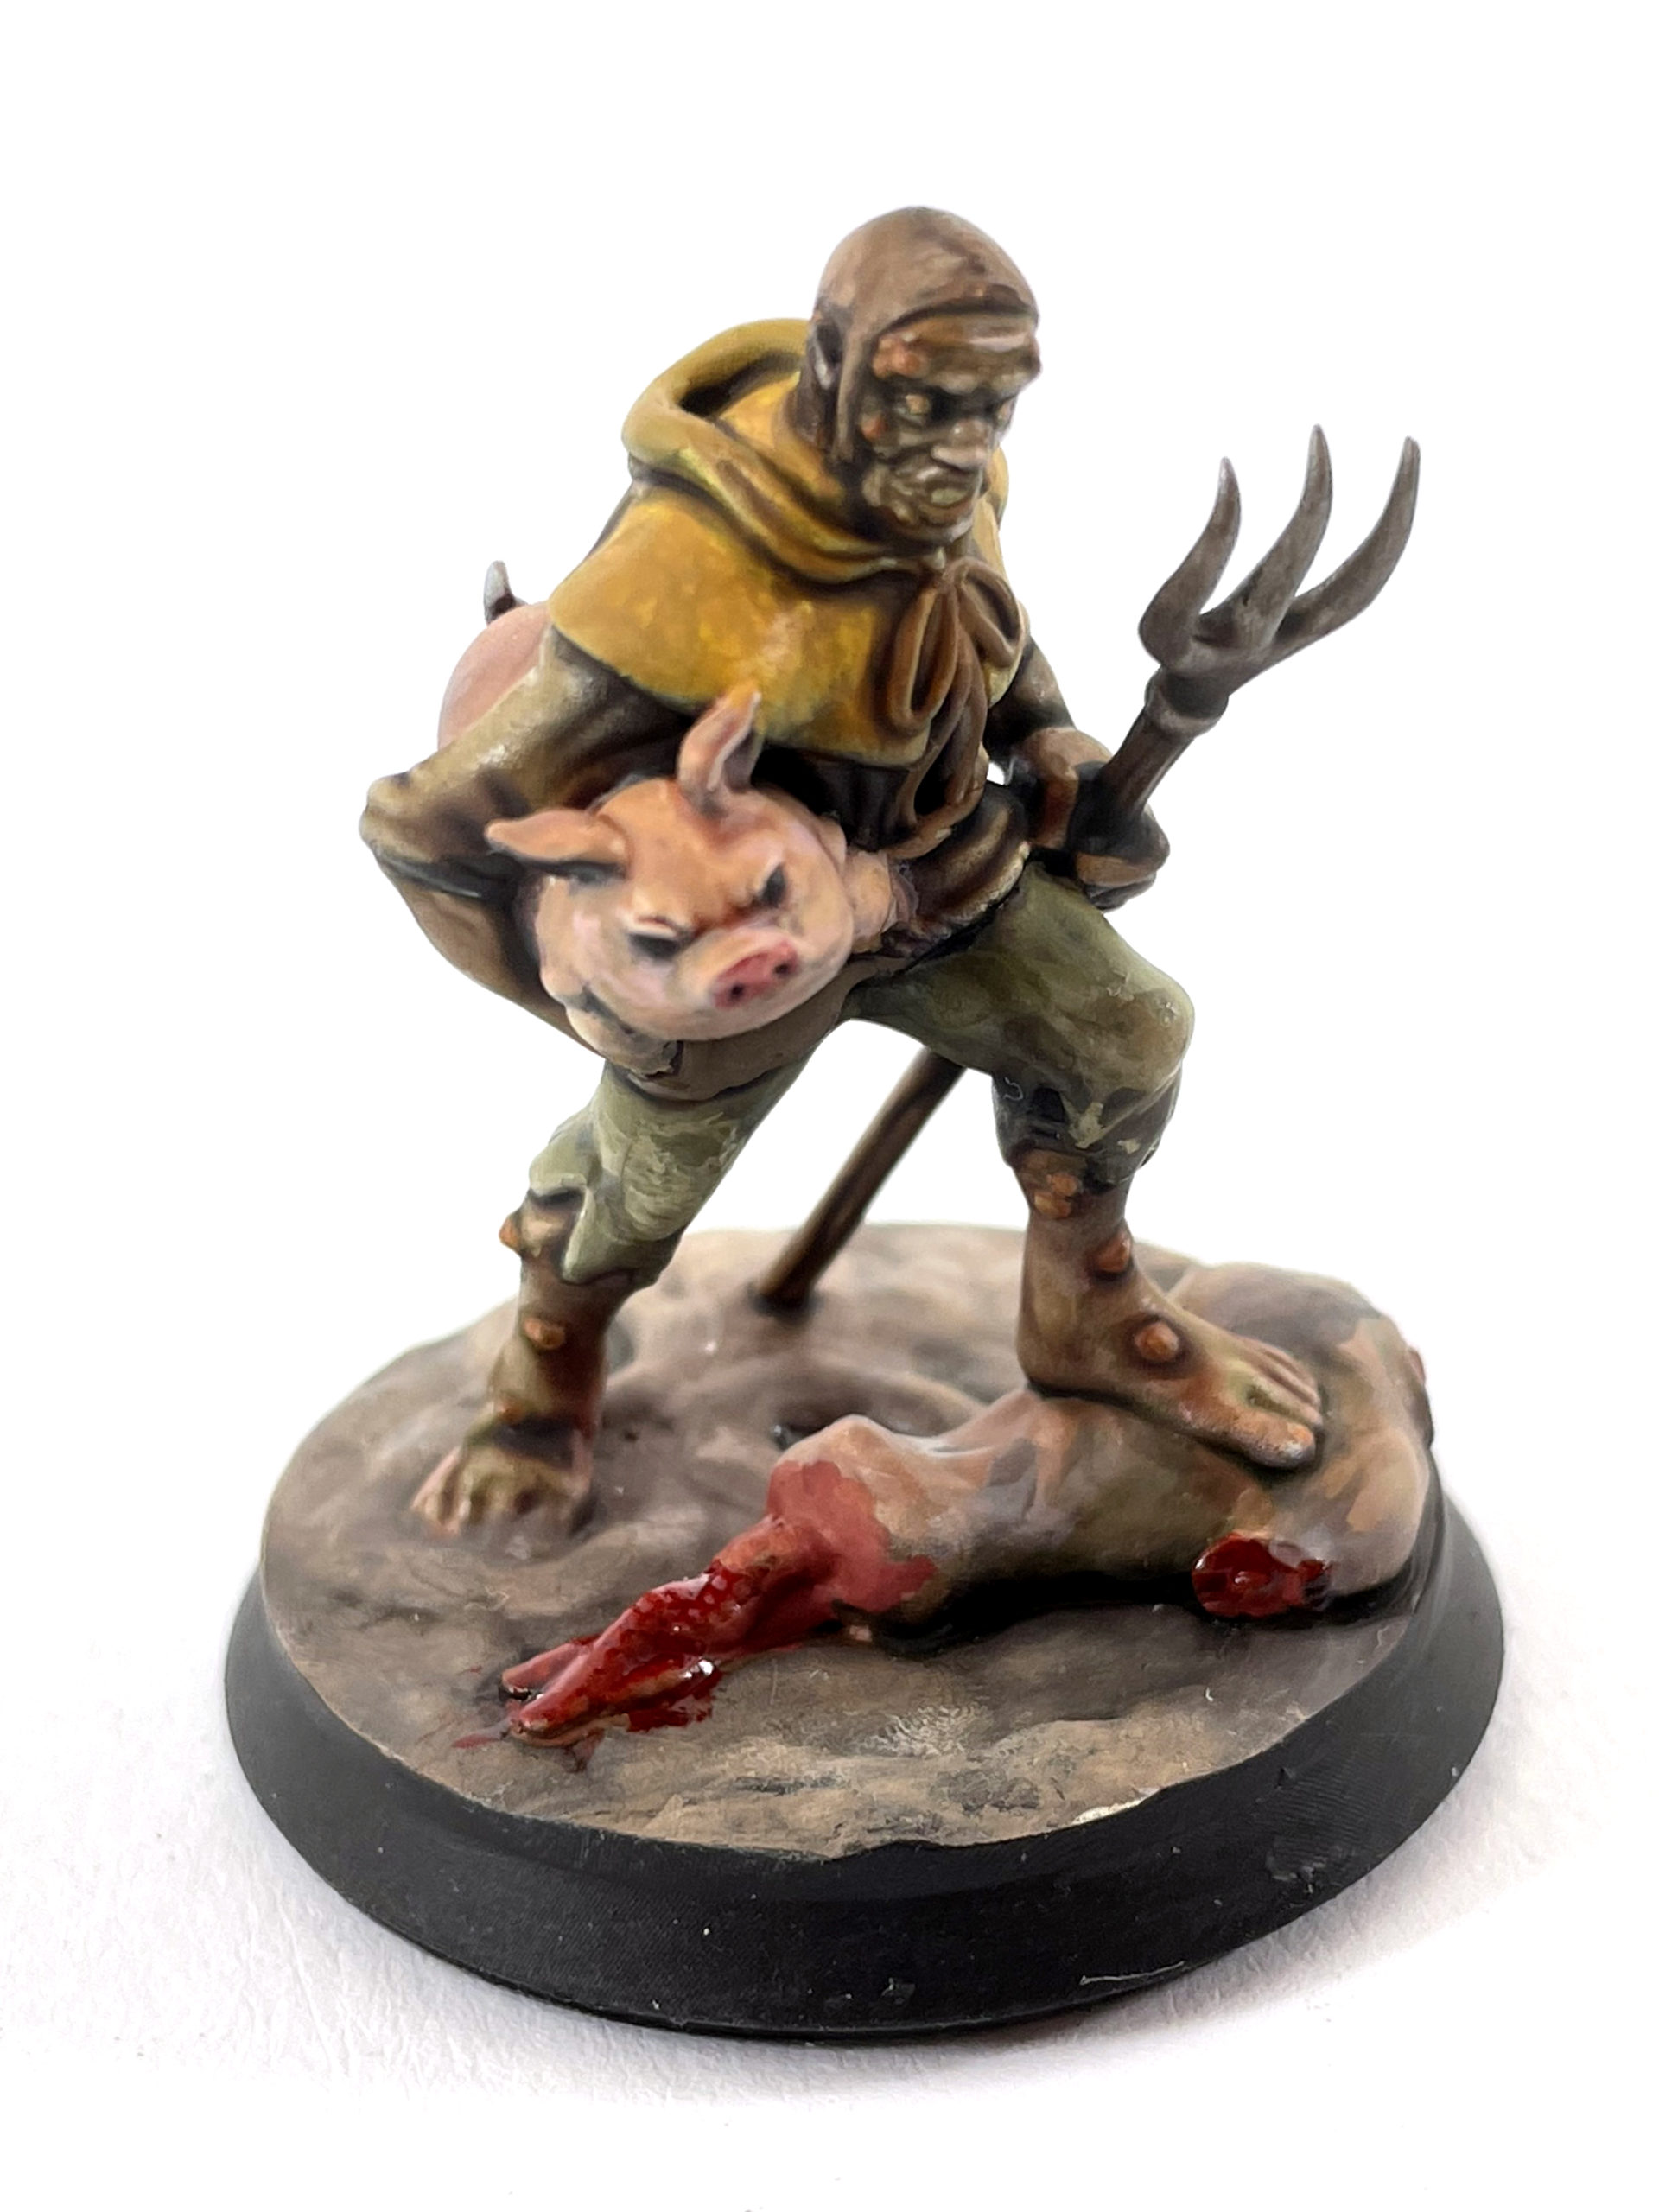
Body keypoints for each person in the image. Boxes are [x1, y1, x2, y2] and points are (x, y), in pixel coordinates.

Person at [363, 207, 1321, 1532]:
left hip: (947, 890)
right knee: (631, 1199)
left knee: (1126, 1035)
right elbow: (424, 830)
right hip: (734, 955)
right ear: (838, 371)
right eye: (926, 403)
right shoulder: (676, 582)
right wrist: (586, 998)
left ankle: (1090, 1315)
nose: (961, 443)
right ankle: (541, 1391)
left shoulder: (947, 496)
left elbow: (976, 632)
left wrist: (1045, 735)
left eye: (992, 406)